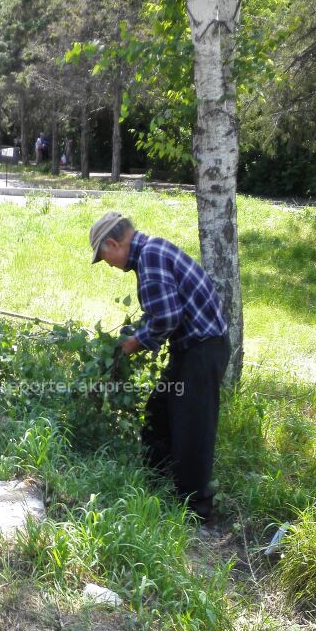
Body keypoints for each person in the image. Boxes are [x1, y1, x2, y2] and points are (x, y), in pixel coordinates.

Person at [89, 211, 230, 522]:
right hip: (191, 349)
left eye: (105, 257)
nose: (110, 265)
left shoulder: (150, 257)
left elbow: (167, 318)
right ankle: (157, 485)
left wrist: (132, 344)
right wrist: (135, 332)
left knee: (193, 429)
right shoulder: (151, 252)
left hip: (203, 350)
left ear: (114, 244)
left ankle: (196, 512)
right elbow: (160, 312)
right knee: (159, 411)